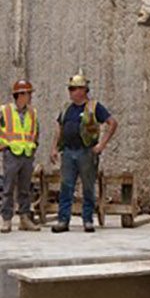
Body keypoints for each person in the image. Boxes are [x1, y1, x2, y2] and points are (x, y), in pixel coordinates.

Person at [50, 72, 117, 233]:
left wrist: (101, 145)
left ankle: (88, 220)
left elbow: (112, 123)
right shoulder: (66, 108)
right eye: (70, 89)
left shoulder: (94, 107)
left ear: (83, 90)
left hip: (86, 152)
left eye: (74, 89)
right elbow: (59, 127)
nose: (71, 92)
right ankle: (63, 220)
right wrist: (54, 148)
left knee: (88, 187)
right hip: (68, 151)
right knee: (66, 187)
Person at [0, 80, 41, 233]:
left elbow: (36, 131)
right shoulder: (5, 111)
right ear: (20, 95)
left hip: (27, 154)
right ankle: (6, 219)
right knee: (8, 188)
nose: (30, 96)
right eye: (28, 93)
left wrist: (33, 145)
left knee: (25, 189)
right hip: (11, 153)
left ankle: (24, 218)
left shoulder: (32, 112)